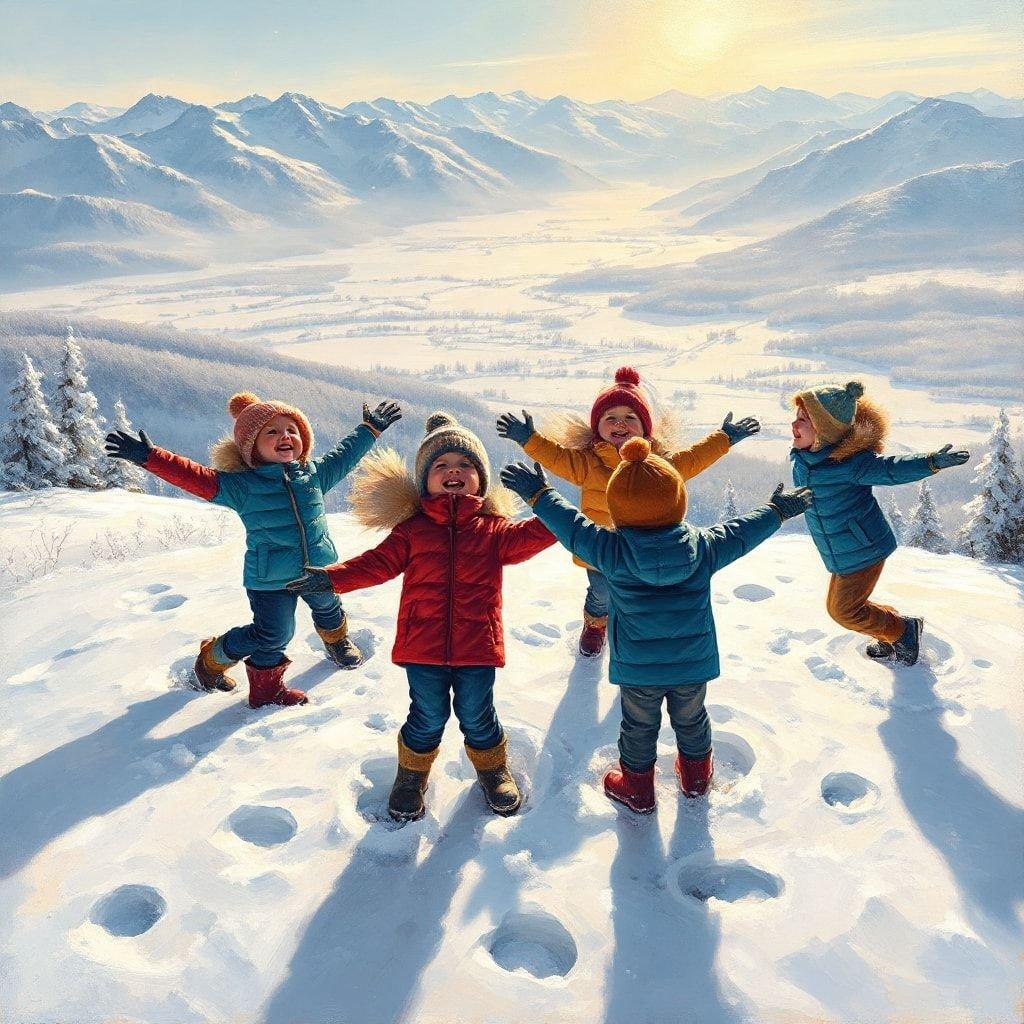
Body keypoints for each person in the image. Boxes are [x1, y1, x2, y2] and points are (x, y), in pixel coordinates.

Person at [500, 440, 812, 814]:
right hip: (691, 664)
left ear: (617, 508)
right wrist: (777, 510)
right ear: (678, 499)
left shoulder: (610, 550)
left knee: (638, 727)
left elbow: (574, 527)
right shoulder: (703, 547)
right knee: (693, 719)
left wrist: (540, 494)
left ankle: (637, 789)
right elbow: (741, 533)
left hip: (638, 667)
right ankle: (696, 780)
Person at [288, 413, 555, 821]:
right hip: (422, 646)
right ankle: (411, 777)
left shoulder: (494, 531)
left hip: (477, 646)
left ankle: (493, 769)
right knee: (427, 714)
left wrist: (544, 498)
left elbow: (543, 533)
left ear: (480, 479)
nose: (454, 472)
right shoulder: (413, 531)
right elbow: (375, 564)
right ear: (425, 479)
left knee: (478, 713)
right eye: (441, 465)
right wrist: (331, 580)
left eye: (465, 465)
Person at [105, 392, 400, 707]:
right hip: (271, 579)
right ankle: (217, 663)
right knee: (272, 635)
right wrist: (150, 457)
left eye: (291, 429)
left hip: (320, 570)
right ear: (251, 449)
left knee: (328, 607)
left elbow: (345, 455)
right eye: (271, 432)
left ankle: (337, 641)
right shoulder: (241, 487)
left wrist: (369, 429)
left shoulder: (314, 474)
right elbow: (193, 476)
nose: (285, 436)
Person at [497, 366, 758, 657]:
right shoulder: (587, 463)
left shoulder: (658, 463)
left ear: (645, 428)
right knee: (602, 594)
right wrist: (528, 438)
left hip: (645, 549)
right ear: (598, 427)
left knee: (640, 599)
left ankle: (636, 636)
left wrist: (724, 438)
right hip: (600, 550)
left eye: (629, 418)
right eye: (610, 418)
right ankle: (595, 625)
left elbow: (694, 458)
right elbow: (555, 456)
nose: (620, 423)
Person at [789, 381, 968, 665]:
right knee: (846, 606)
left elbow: (891, 469)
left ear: (825, 431)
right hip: (842, 548)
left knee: (843, 610)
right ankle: (895, 628)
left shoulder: (851, 464)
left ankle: (903, 632)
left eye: (803, 420)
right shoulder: (806, 457)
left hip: (864, 548)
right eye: (797, 417)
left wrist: (930, 462)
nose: (794, 425)